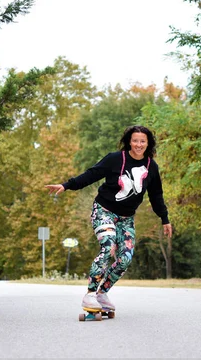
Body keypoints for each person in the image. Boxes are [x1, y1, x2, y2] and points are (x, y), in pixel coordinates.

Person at [45, 125, 172, 311]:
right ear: (129, 141)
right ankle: (89, 294)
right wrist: (66, 185)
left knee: (125, 259)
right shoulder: (115, 159)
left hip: (126, 218)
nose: (138, 144)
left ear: (148, 143)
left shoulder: (151, 167)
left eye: (142, 141)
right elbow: (91, 174)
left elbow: (156, 195)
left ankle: (102, 294)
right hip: (103, 211)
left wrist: (165, 218)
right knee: (108, 245)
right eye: (135, 140)